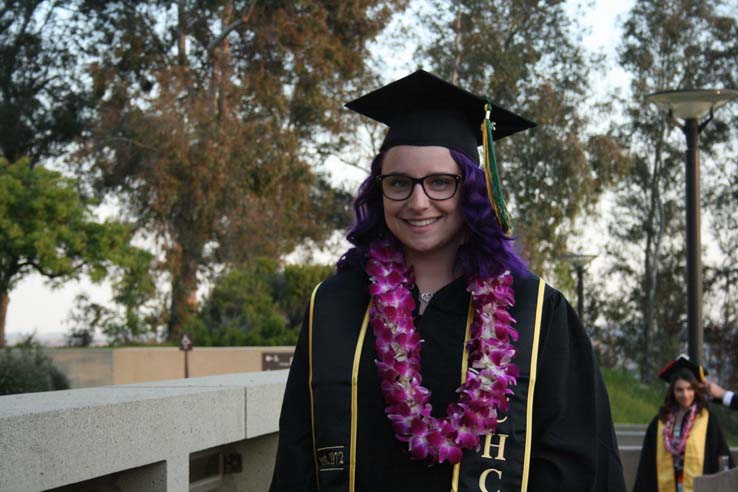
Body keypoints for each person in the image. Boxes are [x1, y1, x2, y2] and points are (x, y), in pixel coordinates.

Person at [270, 70, 625, 492]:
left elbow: (577, 462)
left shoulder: (536, 310)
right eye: (399, 183)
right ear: (379, 191)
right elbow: (298, 455)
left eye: (441, 182)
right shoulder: (334, 306)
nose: (418, 202)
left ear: (473, 191)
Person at [633, 355, 734, 492]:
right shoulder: (660, 421)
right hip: (667, 485)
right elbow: (647, 464)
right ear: (672, 392)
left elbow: (721, 457)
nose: (685, 395)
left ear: (696, 390)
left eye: (689, 389)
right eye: (679, 390)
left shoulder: (706, 419)